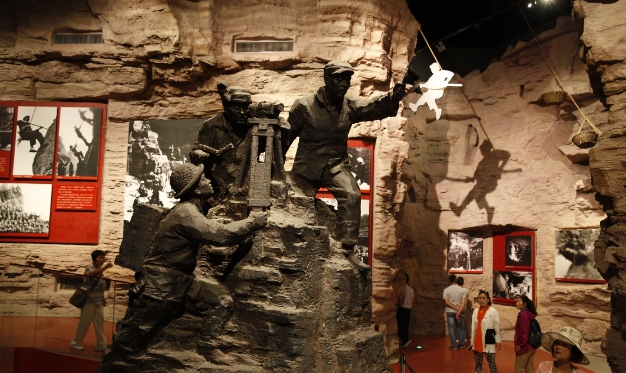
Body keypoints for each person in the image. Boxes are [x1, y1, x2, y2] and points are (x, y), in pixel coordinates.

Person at [111, 163, 267, 354]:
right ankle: (122, 364)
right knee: (135, 335)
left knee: (221, 301)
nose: (208, 180)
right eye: (203, 178)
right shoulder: (185, 212)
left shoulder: (193, 211)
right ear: (196, 189)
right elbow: (220, 234)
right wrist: (252, 222)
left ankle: (207, 350)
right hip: (160, 285)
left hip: (183, 280)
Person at [286, 61, 406, 252]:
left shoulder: (349, 106)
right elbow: (286, 138)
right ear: (327, 80)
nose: (344, 84)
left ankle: (347, 248)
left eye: (347, 79)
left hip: (336, 166)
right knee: (300, 209)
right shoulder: (304, 106)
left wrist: (392, 98)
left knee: (352, 195)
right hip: (307, 169)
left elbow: (372, 106)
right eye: (339, 79)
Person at [69, 250, 113, 352]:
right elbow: (91, 275)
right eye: (99, 258)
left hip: (98, 301)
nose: (102, 260)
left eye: (103, 258)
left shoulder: (100, 271)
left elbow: (100, 286)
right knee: (84, 323)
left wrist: (102, 298)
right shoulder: (90, 268)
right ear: (94, 259)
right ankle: (75, 343)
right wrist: (105, 267)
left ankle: (101, 344)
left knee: (99, 324)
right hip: (89, 302)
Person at [470, 290, 502, 373]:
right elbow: (473, 327)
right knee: (478, 364)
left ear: (488, 300)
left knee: (492, 364)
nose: (481, 300)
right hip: (477, 341)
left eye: (484, 298)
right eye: (480, 298)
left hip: (489, 341)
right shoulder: (475, 311)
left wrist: (498, 340)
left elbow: (497, 326)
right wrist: (472, 341)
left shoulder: (493, 311)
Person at [512, 294, 537, 373]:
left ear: (525, 304)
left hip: (525, 346)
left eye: (519, 301)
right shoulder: (529, 314)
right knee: (529, 368)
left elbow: (523, 332)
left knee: (519, 368)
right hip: (532, 345)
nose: (516, 303)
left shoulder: (523, 315)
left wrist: (519, 344)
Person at [443, 274, 466, 350]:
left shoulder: (446, 290)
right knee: (459, 327)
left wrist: (454, 307)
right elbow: (463, 302)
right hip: (458, 310)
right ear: (456, 279)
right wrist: (458, 310)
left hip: (450, 311)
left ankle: (454, 345)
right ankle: (462, 344)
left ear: (449, 280)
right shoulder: (461, 290)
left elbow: (447, 302)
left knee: (451, 328)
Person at [397, 274, 414, 348]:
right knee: (405, 326)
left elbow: (400, 300)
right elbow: (412, 300)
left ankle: (405, 339)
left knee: (398, 325)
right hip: (408, 309)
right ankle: (405, 342)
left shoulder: (403, 289)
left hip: (403, 308)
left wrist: (397, 303)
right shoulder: (411, 289)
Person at [456, 276, 471, 349]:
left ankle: (458, 337)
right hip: (464, 306)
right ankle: (465, 337)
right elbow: (466, 297)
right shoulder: (466, 290)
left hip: (458, 306)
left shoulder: (456, 290)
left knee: (458, 322)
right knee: (464, 321)